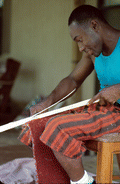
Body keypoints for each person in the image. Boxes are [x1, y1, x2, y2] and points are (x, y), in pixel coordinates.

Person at [19, 5, 120, 184]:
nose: (80, 48)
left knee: (58, 127)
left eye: (80, 39)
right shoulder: (93, 54)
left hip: (116, 113)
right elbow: (73, 80)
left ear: (95, 26)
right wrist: (46, 103)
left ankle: (84, 182)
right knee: (37, 125)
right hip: (104, 111)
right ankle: (66, 179)